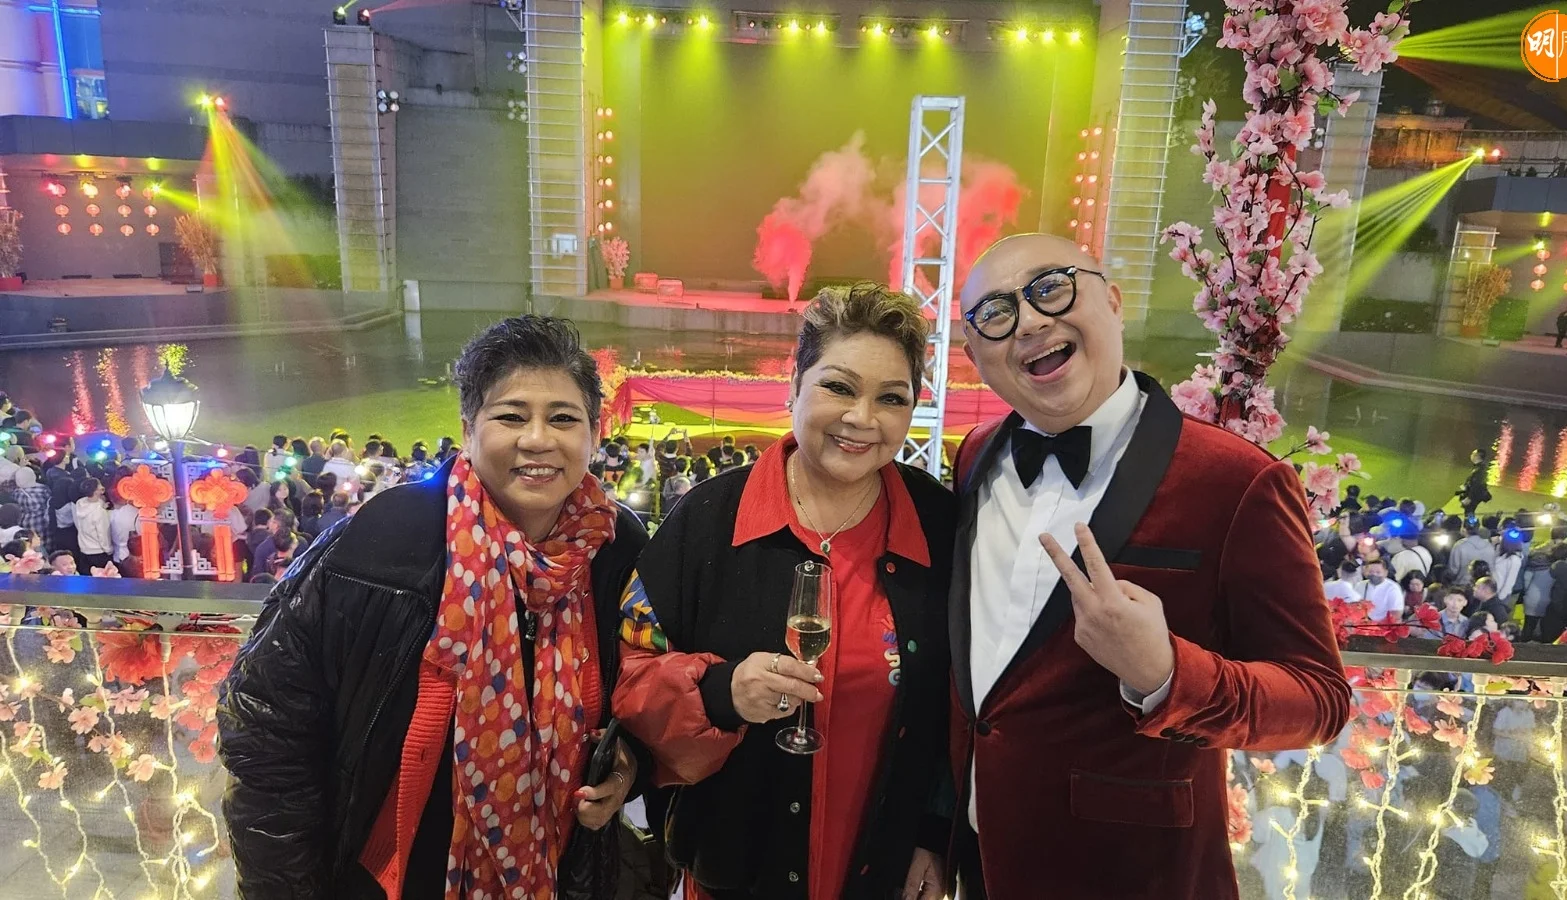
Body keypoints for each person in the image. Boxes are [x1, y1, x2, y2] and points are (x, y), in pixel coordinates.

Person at [947, 234, 1348, 899]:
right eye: (996, 313)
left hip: (1135, 875)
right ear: (974, 356)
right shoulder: (975, 456)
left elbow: (1319, 701)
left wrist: (1165, 673)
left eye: (1051, 288)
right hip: (978, 865)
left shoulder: (1237, 481)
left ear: (1112, 300)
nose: (1030, 321)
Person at [219, 315, 649, 898]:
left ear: (594, 435)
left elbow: (646, 699)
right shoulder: (386, 539)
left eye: (563, 418)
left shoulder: (617, 547)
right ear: (469, 430)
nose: (538, 440)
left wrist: (630, 766)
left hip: (558, 872)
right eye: (511, 416)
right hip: (391, 878)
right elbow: (267, 728)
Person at [613, 284, 956, 900]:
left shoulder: (938, 524)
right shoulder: (708, 519)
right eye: (839, 387)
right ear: (794, 385)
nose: (862, 419)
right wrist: (720, 693)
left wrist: (933, 831)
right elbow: (631, 673)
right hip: (734, 872)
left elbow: (957, 705)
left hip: (883, 870)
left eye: (891, 397)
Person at [73, 477, 113, 572]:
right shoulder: (100, 513)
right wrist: (109, 550)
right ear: (96, 491)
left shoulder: (80, 503)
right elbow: (103, 535)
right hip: (98, 551)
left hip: (84, 549)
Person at [1449, 519, 1496, 583]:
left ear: (1464, 529)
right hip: (1483, 585)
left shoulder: (1459, 546)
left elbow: (1453, 570)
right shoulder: (1489, 546)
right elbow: (1492, 569)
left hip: (1463, 584)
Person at [1359, 557, 1404, 622]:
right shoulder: (1360, 585)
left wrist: (1377, 625)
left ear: (1385, 573)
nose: (1374, 574)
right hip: (1362, 623)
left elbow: (1396, 613)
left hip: (1384, 624)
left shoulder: (1393, 588)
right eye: (1371, 572)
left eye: (1378, 572)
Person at [1454, 450, 1492, 519]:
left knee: (1469, 511)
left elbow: (1477, 485)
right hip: (1474, 493)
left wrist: (1469, 498)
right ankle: (1470, 523)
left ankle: (1470, 524)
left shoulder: (1480, 470)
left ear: (1477, 456)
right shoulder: (1479, 467)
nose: (1471, 455)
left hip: (1474, 495)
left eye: (1473, 454)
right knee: (1469, 511)